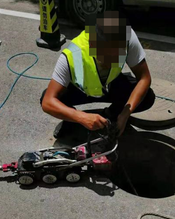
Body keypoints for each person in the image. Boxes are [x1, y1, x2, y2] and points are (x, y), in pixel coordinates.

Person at [40, 9, 155, 138]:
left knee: (147, 97)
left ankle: (111, 116)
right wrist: (81, 117)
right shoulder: (73, 53)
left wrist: (124, 114)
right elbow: (47, 102)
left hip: (111, 85)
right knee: (54, 97)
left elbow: (144, 78)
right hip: (81, 90)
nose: (113, 62)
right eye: (108, 57)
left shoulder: (127, 37)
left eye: (118, 56)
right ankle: (72, 122)